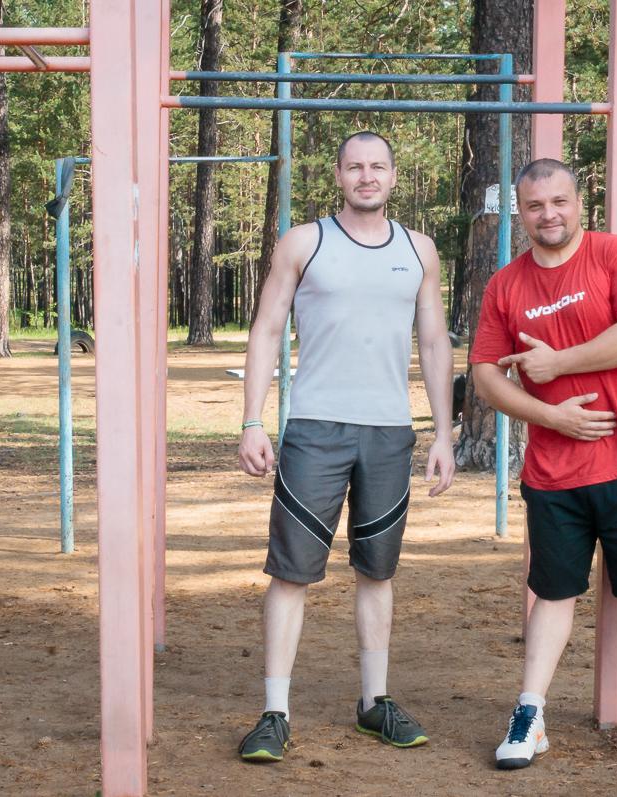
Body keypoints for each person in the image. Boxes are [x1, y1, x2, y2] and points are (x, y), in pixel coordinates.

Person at [235, 131, 455, 763]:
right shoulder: (305, 242)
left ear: (393, 176)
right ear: (338, 175)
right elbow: (267, 328)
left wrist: (444, 433)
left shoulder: (419, 250)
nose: (367, 176)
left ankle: (374, 702)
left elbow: (434, 341)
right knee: (291, 571)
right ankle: (275, 712)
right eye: (355, 166)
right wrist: (252, 420)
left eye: (377, 166)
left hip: (388, 431)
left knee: (377, 570)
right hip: (316, 428)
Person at [469, 158, 617, 769]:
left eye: (559, 202)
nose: (549, 215)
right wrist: (551, 416)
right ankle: (529, 715)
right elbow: (486, 375)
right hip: (554, 474)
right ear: (521, 212)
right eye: (535, 206)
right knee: (551, 593)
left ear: (578, 202)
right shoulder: (506, 286)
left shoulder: (614, 255)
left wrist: (558, 363)